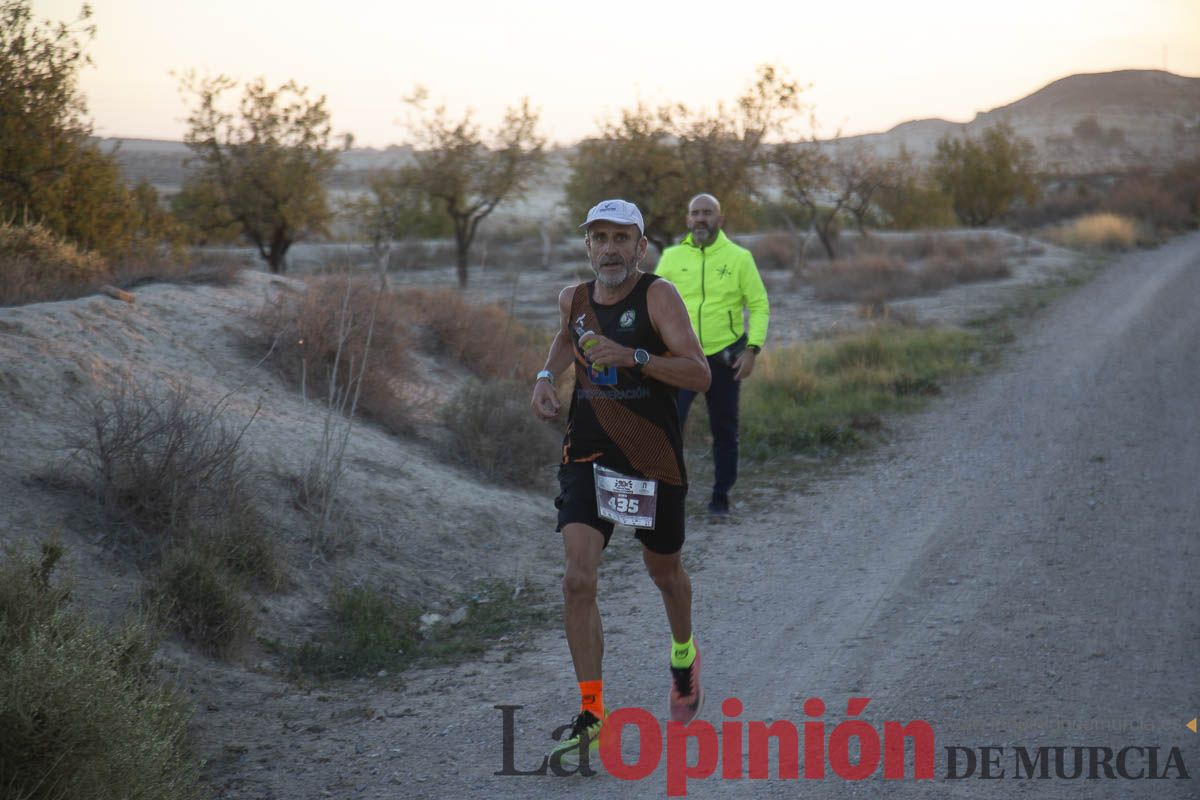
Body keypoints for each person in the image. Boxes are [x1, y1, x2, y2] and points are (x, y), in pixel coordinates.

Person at [531, 199, 711, 766]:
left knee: (664, 572)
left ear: (641, 246)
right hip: (586, 453)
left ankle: (683, 654)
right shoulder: (574, 299)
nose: (609, 248)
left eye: (621, 238)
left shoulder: (658, 296)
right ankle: (592, 713)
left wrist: (633, 355)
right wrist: (544, 376)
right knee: (577, 578)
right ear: (587, 245)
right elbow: (567, 337)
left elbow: (699, 373)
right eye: (599, 237)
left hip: (650, 458)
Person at [653, 193, 769, 516]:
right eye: (695, 213)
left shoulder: (739, 257)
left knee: (725, 430)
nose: (700, 218)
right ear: (687, 219)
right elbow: (655, 304)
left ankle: (721, 496)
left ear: (720, 219)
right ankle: (667, 494)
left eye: (707, 213)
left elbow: (758, 305)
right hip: (681, 358)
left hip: (725, 357)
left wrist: (752, 349)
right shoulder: (672, 257)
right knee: (668, 425)